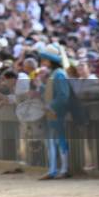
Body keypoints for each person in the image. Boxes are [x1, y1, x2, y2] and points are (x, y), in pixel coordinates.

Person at [38, 44, 71, 180]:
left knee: (59, 140)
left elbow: (63, 95)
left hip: (57, 112)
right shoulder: (55, 74)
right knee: (52, 141)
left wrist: (51, 106)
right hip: (52, 112)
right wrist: (40, 86)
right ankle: (53, 170)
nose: (43, 62)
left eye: (44, 59)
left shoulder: (59, 74)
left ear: (50, 60)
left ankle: (63, 170)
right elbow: (52, 92)